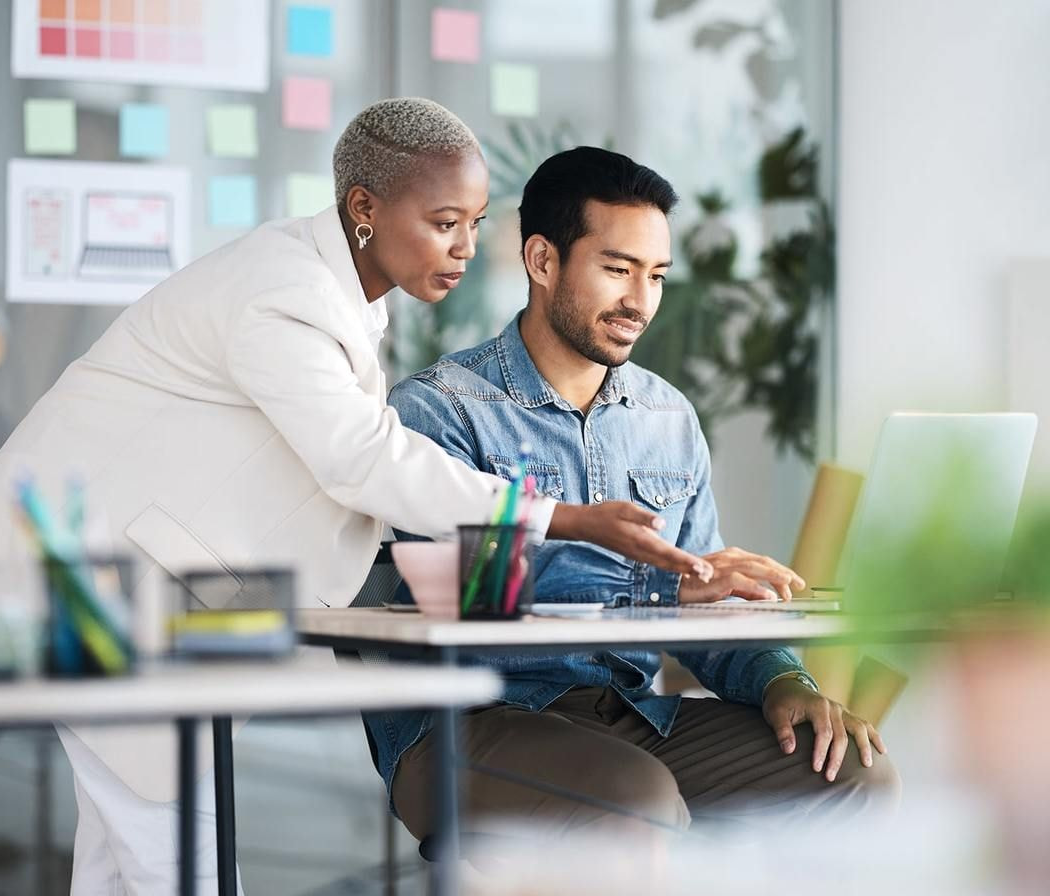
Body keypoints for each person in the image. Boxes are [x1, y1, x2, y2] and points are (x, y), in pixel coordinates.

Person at [0, 100, 715, 894]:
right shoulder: (285, 292)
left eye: (474, 223)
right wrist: (566, 518)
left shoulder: (336, 297)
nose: (466, 248)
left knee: (125, 861)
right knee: (181, 863)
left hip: (114, 588)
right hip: (74, 586)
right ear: (364, 208)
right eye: (444, 222)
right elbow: (360, 457)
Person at [366, 147, 900, 855]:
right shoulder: (442, 410)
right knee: (636, 802)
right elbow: (472, 604)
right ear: (542, 260)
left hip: (632, 717)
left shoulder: (667, 418)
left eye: (656, 276)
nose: (640, 302)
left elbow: (707, 600)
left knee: (855, 775)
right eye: (618, 270)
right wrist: (660, 582)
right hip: (469, 722)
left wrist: (782, 679)